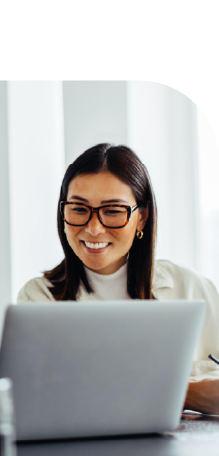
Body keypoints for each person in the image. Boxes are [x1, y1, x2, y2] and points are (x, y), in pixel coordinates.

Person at [18, 143, 219, 414]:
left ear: (142, 217)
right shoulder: (38, 298)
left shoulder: (193, 289)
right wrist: (183, 393)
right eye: (78, 208)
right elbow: (44, 399)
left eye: (112, 211)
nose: (93, 228)